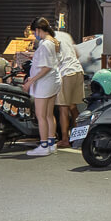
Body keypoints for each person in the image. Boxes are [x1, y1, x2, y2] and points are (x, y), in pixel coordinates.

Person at [21, 18, 62, 156]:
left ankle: (44, 145)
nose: (34, 35)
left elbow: (45, 68)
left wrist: (30, 81)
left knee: (41, 115)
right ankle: (51, 144)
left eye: (34, 32)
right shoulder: (53, 41)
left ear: (38, 30)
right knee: (49, 114)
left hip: (45, 84)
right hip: (53, 81)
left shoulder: (45, 44)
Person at [53, 25, 84, 148]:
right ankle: (78, 137)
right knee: (73, 106)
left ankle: (65, 139)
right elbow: (77, 53)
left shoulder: (48, 40)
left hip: (65, 73)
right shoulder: (66, 35)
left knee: (63, 108)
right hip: (77, 70)